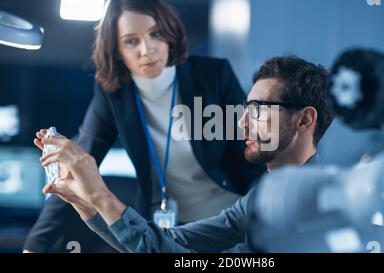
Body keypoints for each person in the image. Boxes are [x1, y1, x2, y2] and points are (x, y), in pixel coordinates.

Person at [23, 0, 265, 252]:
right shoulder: (114, 95)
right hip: (166, 228)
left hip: (229, 223)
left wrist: (261, 219)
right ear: (116, 50)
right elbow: (78, 165)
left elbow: (253, 156)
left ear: (170, 35)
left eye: (155, 34)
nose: (146, 50)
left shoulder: (213, 75)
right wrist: (35, 246)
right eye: (131, 41)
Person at [35, 55, 335, 252]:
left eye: (258, 109)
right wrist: (84, 203)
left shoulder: (306, 204)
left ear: (305, 119)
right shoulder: (263, 197)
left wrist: (100, 194)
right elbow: (166, 242)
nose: (242, 121)